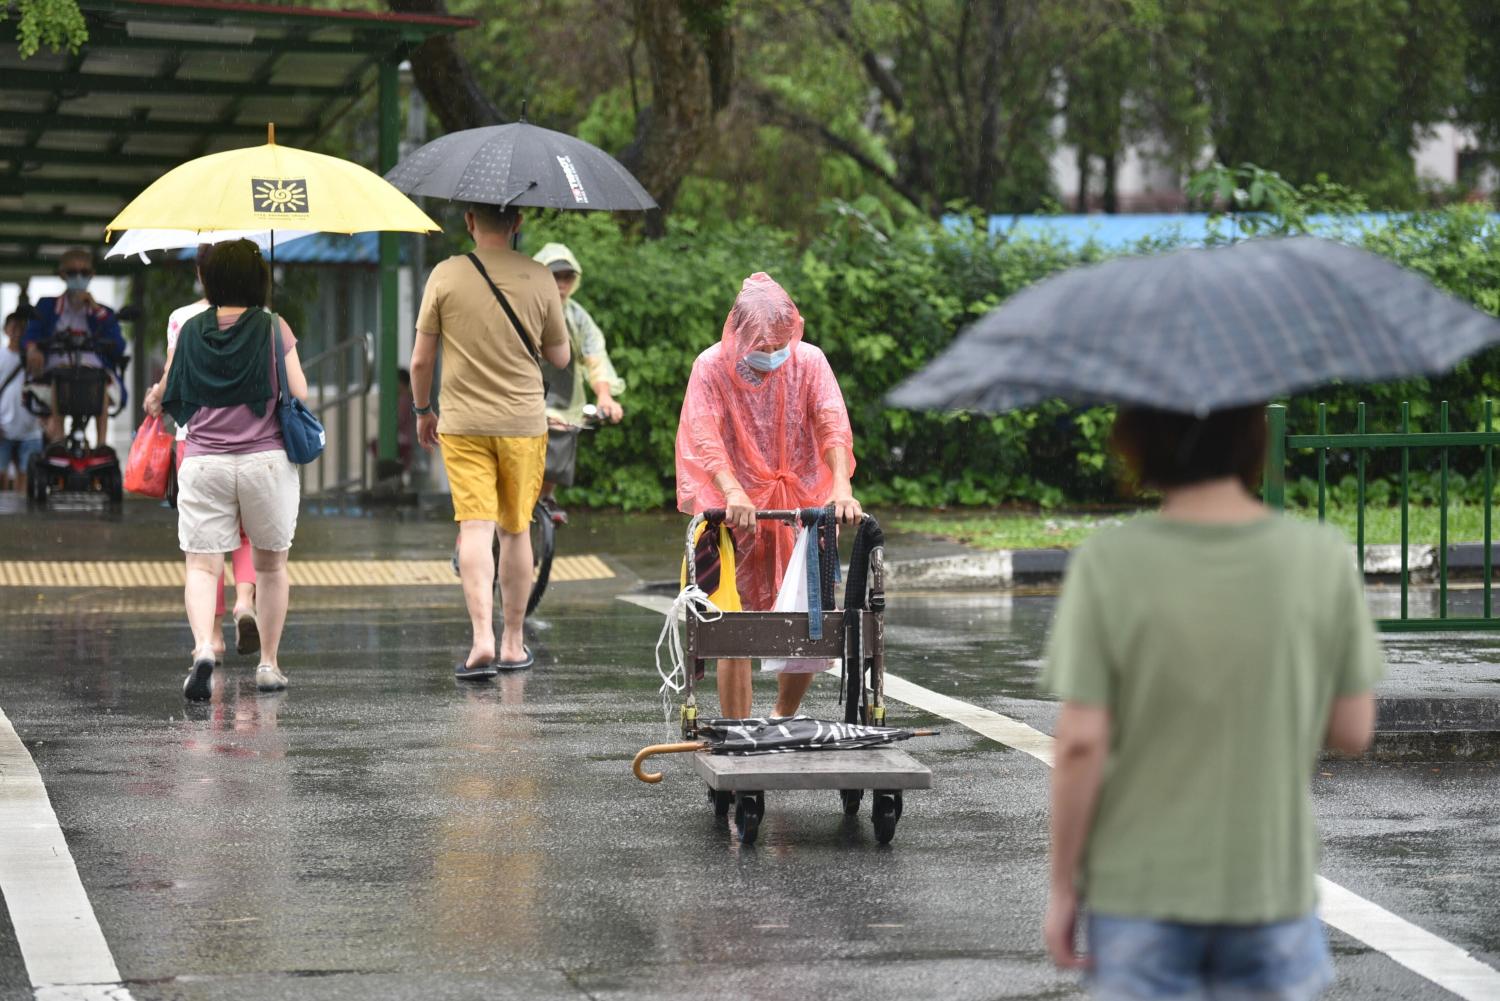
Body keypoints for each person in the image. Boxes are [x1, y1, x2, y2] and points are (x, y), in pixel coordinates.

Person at [1041, 405, 1384, 999]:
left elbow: (1080, 743)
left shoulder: (1111, 562)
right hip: (1270, 890)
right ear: (1255, 438)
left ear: (1139, 441)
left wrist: (1066, 888)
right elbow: (1353, 728)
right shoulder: (1320, 555)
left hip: (1139, 892)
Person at [675, 272, 861, 720]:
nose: (772, 354)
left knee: (804, 615)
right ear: (738, 335)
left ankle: (783, 715)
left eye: (780, 344)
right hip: (733, 509)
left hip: (798, 501)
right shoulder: (712, 367)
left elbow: (830, 422)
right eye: (761, 346)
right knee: (730, 623)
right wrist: (732, 489)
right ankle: (737, 726)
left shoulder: (808, 362)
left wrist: (841, 485)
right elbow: (705, 435)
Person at [410, 203, 570, 680]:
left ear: (469, 222)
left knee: (475, 528)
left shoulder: (445, 274)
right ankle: (512, 643)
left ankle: (480, 638)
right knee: (515, 529)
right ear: (518, 223)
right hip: (522, 423)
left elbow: (420, 362)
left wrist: (423, 412)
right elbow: (559, 358)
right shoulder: (540, 277)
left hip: (462, 423)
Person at [148, 239, 307, 701]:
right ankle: (269, 665)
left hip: (204, 462)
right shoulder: (274, 327)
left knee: (201, 565)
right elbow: (299, 390)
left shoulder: (191, 329)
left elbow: (173, 396)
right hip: (264, 462)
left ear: (209, 280)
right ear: (259, 279)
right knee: (271, 565)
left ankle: (202, 648)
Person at [143, 243, 259, 664]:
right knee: (245, 534)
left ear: (200, 271)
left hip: (195, 442)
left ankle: (211, 637)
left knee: (205, 545)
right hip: (251, 441)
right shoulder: (261, 321)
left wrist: (154, 399)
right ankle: (246, 603)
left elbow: (172, 384)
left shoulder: (183, 320)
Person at [531, 243, 625, 521]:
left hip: (562, 400)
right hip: (521, 396)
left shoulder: (577, 317)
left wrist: (605, 396)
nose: (560, 283)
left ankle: (547, 497)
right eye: (554, 275)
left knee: (561, 439)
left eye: (567, 277)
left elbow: (595, 357)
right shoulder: (525, 308)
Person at [23, 248, 126, 446]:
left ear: (92, 275)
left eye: (84, 272)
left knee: (101, 380)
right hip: (58, 371)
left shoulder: (104, 311)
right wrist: (32, 349)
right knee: (60, 378)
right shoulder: (46, 306)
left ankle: (102, 445)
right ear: (62, 274)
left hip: (93, 373)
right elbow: (31, 334)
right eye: (72, 272)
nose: (78, 277)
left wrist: (96, 310)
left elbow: (118, 347)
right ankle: (59, 440)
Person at [1, 310, 43, 493]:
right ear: (5, 330)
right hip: (4, 428)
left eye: (22, 328)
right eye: (14, 327)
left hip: (30, 428)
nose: (18, 332)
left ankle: (22, 518)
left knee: (26, 478)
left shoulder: (34, 357)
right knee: (1, 476)